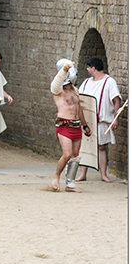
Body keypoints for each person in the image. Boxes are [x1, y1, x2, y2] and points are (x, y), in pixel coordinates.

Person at [74, 58, 123, 183]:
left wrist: (116, 118)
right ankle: (83, 174)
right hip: (87, 121)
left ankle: (103, 175)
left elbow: (116, 100)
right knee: (85, 147)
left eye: (88, 67)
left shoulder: (109, 82)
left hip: (102, 120)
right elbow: (81, 99)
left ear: (93, 68)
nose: (87, 69)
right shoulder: (86, 82)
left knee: (101, 147)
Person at [50, 59, 90, 192]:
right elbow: (55, 85)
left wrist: (85, 125)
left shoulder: (75, 90)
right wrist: (65, 69)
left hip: (76, 125)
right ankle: (56, 177)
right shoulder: (58, 91)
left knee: (75, 156)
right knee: (67, 154)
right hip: (64, 126)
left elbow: (79, 109)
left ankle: (70, 184)